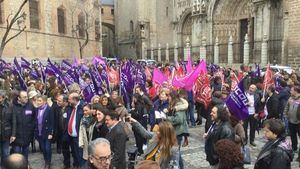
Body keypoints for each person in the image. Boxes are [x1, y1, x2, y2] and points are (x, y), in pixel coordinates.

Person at [11, 91, 37, 161]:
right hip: (17, 137)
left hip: (27, 136)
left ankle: (25, 166)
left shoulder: (30, 105)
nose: (27, 98)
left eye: (27, 96)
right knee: (17, 156)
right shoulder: (13, 106)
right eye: (24, 97)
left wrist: (31, 127)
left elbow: (35, 118)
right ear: (19, 98)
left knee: (25, 155)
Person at [167, 91, 189, 169]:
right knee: (177, 153)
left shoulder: (178, 106)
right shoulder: (174, 105)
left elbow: (178, 120)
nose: (167, 98)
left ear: (172, 97)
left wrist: (167, 118)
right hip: (175, 132)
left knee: (176, 153)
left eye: (168, 96)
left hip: (178, 133)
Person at [35, 95, 54, 169]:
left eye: (40, 101)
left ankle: (48, 163)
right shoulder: (36, 109)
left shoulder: (49, 109)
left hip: (47, 132)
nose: (38, 102)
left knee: (47, 148)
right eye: (37, 100)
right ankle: (46, 160)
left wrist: (51, 133)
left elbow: (52, 122)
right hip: (40, 132)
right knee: (43, 148)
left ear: (45, 102)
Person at [66, 92, 84, 168]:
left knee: (80, 154)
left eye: (69, 99)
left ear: (74, 99)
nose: (68, 100)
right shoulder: (71, 107)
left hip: (79, 136)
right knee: (75, 153)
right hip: (71, 135)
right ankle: (76, 164)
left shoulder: (82, 107)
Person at [284, 85, 300, 160]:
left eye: (292, 90)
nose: (290, 91)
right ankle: (294, 147)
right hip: (291, 121)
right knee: (293, 136)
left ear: (296, 91)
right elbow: (286, 107)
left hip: (298, 122)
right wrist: (286, 115)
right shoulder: (290, 98)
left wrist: (292, 103)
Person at [0, 90, 15, 167]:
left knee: (5, 153)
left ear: (3, 98)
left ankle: (4, 167)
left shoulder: (10, 106)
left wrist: (13, 134)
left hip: (6, 133)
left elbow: (13, 121)